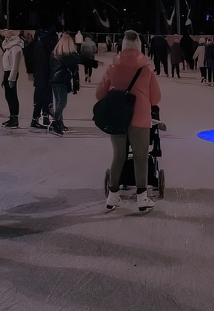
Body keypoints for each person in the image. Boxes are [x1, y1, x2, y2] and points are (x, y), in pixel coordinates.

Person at [97, 30, 162, 213]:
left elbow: (99, 94)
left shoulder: (113, 67)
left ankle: (112, 195)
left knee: (119, 155)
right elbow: (156, 98)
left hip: (118, 117)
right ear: (139, 47)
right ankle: (142, 197)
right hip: (140, 118)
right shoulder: (146, 68)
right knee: (141, 157)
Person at [48, 31, 81, 135]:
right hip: (60, 80)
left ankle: (59, 122)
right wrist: (75, 82)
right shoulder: (68, 55)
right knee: (62, 102)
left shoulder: (55, 53)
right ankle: (56, 123)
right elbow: (75, 70)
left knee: (59, 102)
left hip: (56, 80)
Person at [29, 22, 57, 130]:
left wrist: (30, 70)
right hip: (48, 72)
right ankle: (43, 117)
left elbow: (29, 54)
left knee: (39, 95)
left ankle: (37, 118)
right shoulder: (51, 39)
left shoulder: (37, 41)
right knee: (47, 95)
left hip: (39, 72)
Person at [0, 29, 25, 127]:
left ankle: (14, 119)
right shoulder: (8, 47)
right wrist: (4, 78)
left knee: (12, 96)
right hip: (7, 73)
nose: (5, 38)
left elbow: (15, 65)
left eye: (6, 36)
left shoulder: (16, 48)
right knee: (8, 96)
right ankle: (11, 117)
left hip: (11, 73)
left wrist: (12, 78)